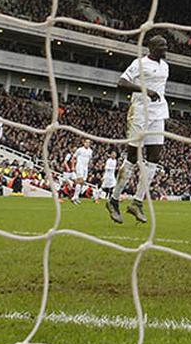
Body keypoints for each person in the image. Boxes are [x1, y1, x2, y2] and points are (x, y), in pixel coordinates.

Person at [109, 34, 170, 224]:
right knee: (133, 158)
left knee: (154, 159)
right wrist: (146, 91)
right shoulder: (139, 63)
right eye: (161, 46)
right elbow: (121, 83)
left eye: (166, 46)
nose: (165, 49)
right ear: (151, 48)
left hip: (158, 113)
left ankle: (137, 202)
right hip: (140, 112)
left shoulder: (165, 66)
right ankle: (114, 199)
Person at [70, 139, 94, 205]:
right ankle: (74, 197)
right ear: (84, 143)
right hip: (79, 166)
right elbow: (73, 158)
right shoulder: (80, 150)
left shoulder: (90, 151)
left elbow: (89, 160)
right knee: (79, 181)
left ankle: (76, 197)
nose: (87, 143)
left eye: (89, 142)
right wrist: (72, 166)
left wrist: (90, 167)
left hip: (85, 168)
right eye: (86, 142)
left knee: (82, 182)